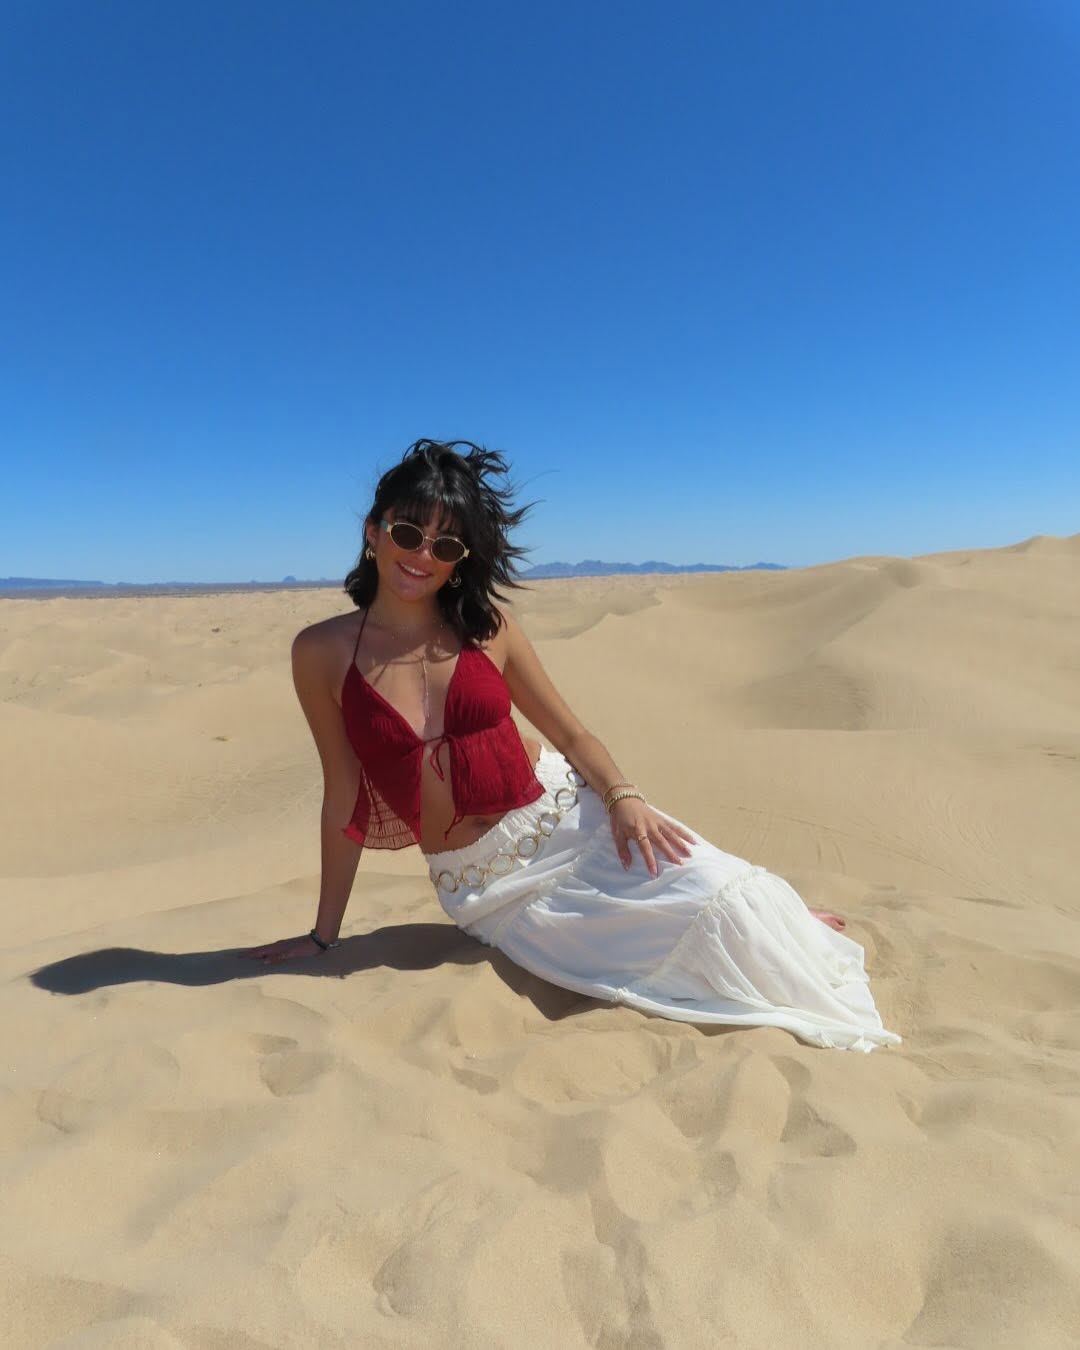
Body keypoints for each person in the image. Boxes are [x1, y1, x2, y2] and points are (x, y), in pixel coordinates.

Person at [242, 439, 902, 1053]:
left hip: (566, 821)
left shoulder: (488, 629)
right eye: (408, 533)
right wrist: (323, 937)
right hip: (485, 887)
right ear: (373, 531)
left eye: (445, 545)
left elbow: (571, 733)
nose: (422, 556)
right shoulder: (320, 652)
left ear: (460, 559)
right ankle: (767, 926)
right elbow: (343, 794)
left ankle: (783, 921)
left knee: (725, 897)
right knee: (624, 966)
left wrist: (622, 797)